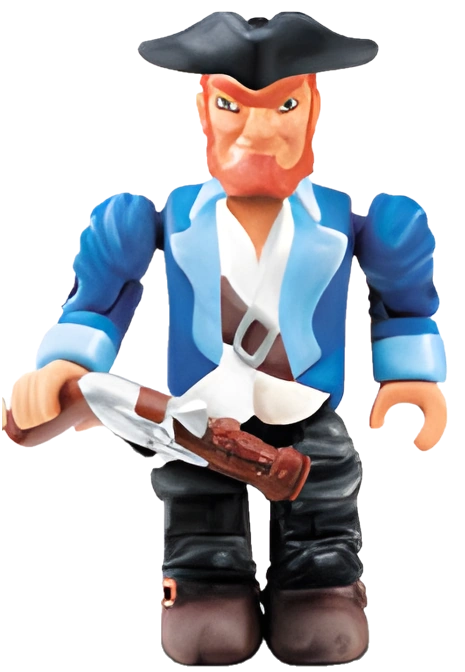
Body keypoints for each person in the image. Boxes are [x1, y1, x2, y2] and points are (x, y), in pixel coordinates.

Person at [9, 12, 447, 666]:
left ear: (312, 108)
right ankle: (204, 581)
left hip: (304, 403)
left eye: (283, 107)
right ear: (204, 110)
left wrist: (412, 373)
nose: (258, 132)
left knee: (322, 496)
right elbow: (102, 295)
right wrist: (65, 365)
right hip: (200, 413)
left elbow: (402, 292)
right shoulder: (168, 218)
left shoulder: (341, 221)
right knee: (199, 503)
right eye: (232, 106)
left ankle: (322, 582)